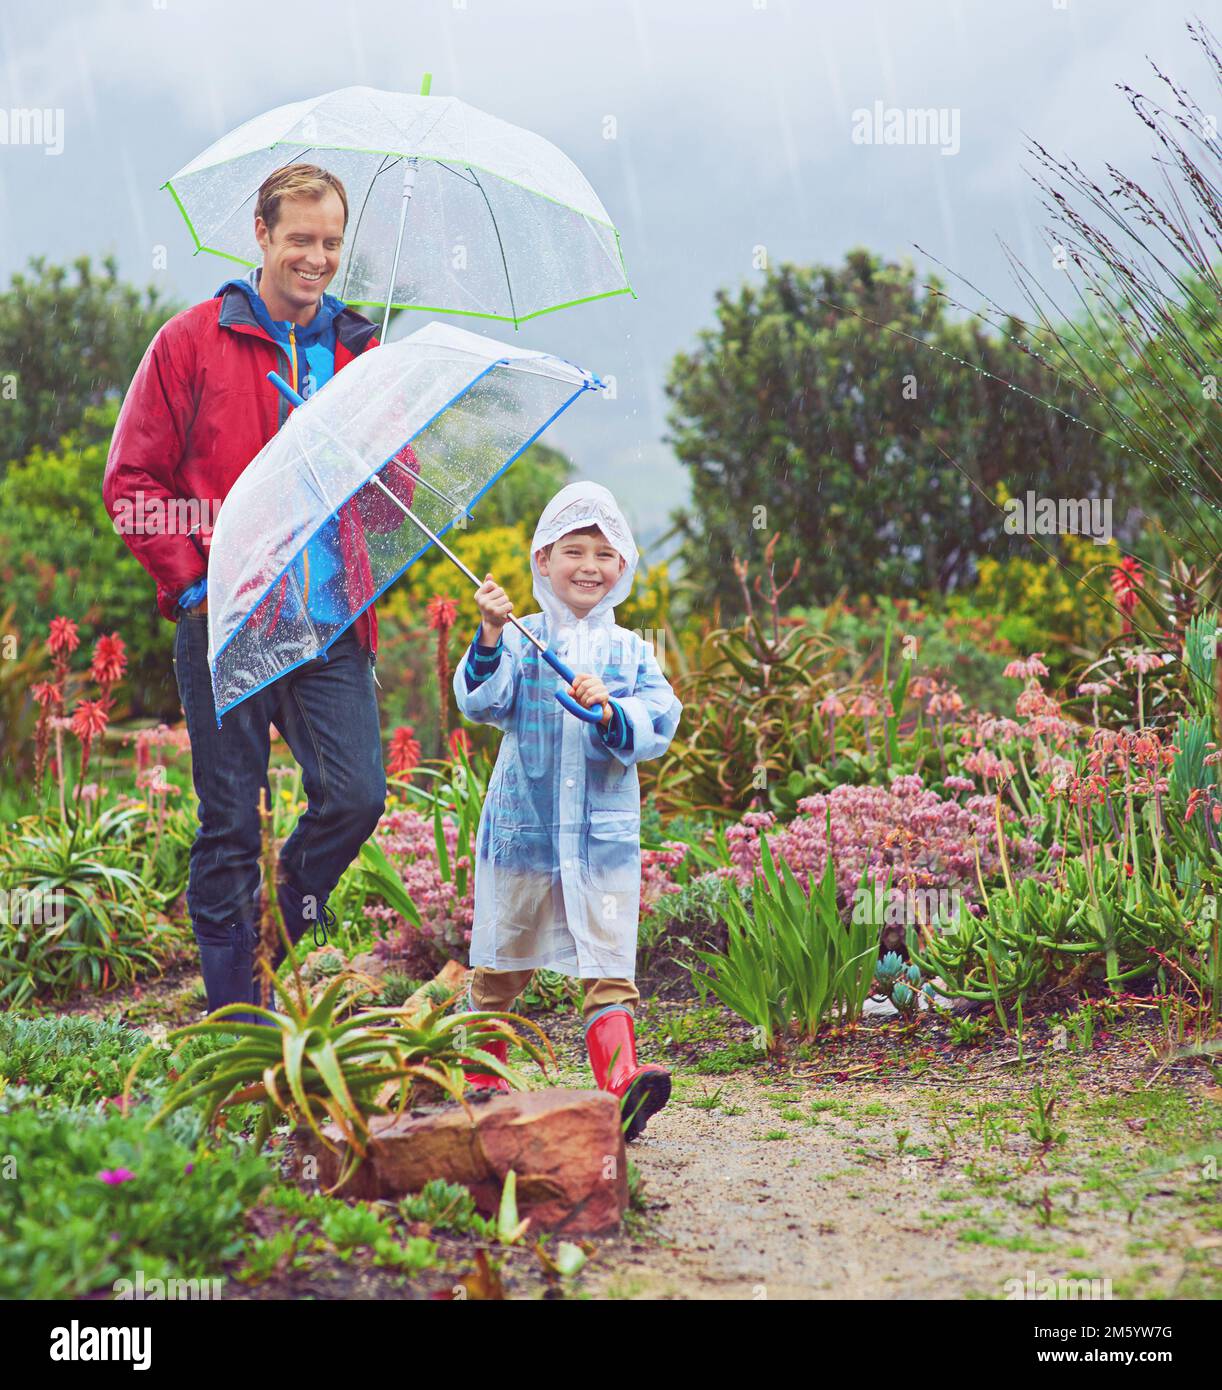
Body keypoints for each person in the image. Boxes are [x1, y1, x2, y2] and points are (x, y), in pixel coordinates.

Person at [103, 163, 413, 1022]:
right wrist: (193, 587)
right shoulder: (191, 341)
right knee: (231, 821)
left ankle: (280, 922)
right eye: (300, 240)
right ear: (263, 236)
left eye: (330, 243)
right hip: (228, 622)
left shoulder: (361, 355)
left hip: (327, 623)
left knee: (356, 797)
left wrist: (383, 450)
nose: (316, 259)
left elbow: (398, 493)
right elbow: (131, 480)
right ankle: (237, 1015)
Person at [452, 481, 683, 1139]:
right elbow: (481, 702)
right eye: (573, 550)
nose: (588, 565)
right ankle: (481, 1071)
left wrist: (613, 709)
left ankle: (621, 1083)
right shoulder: (524, 640)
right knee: (502, 960)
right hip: (523, 832)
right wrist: (492, 632)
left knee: (608, 962)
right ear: (543, 561)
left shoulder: (631, 652)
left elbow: (660, 719)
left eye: (604, 553)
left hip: (600, 841)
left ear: (623, 567)